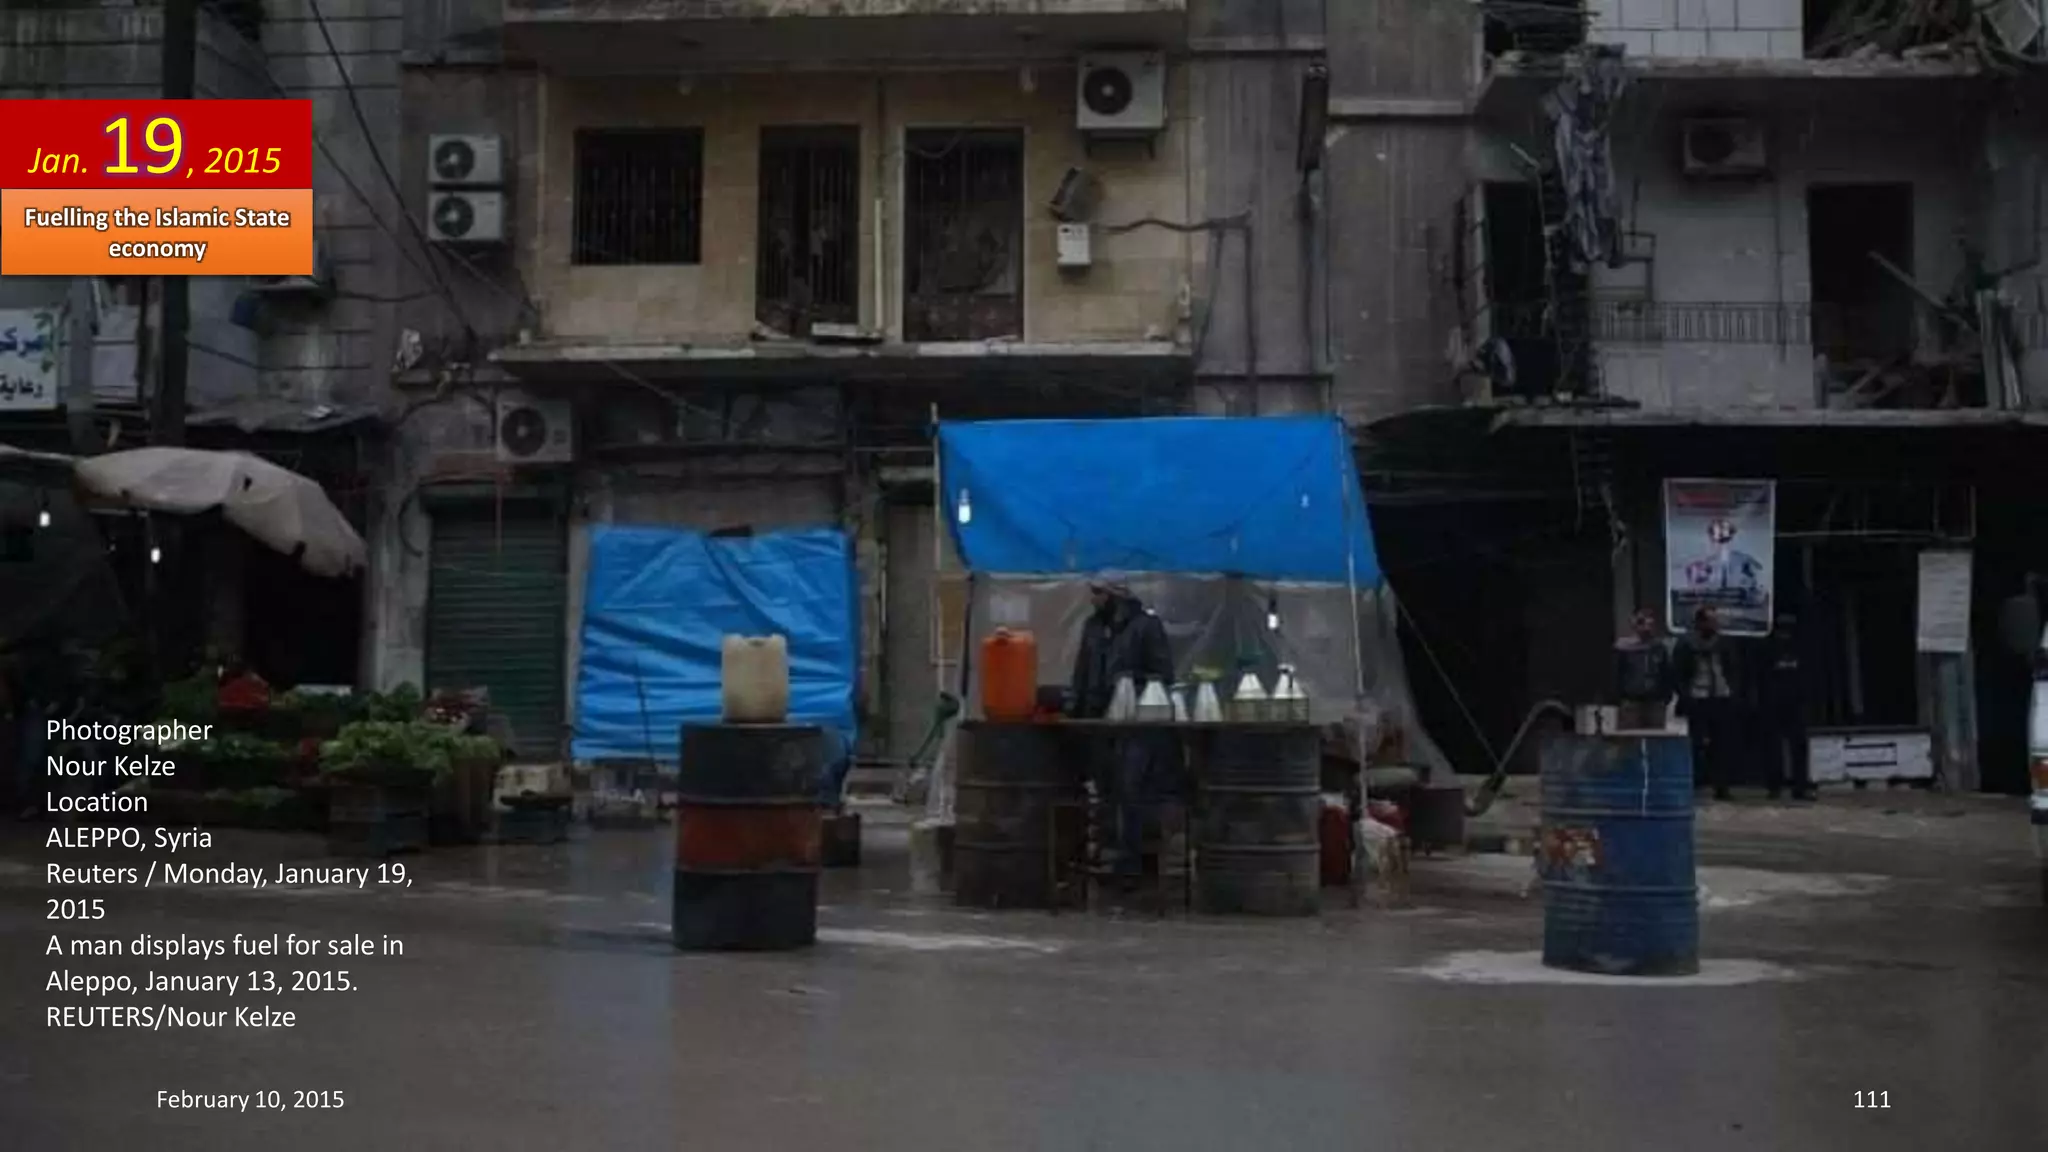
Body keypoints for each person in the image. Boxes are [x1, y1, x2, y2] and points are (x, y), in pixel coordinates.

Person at [1066, 577, 1174, 881]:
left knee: (1133, 790)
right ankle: (1110, 854)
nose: (1093, 599)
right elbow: (1082, 671)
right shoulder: (1093, 628)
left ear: (1117, 595)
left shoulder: (1145, 626)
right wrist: (1075, 709)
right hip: (1099, 723)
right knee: (1106, 790)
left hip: (1135, 724)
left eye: (1098, 592)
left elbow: (1163, 673)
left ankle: (1136, 860)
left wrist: (1129, 686)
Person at [1672, 605, 1738, 801]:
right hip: (1697, 697)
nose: (1715, 624)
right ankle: (1695, 784)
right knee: (1696, 744)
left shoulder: (1724, 642)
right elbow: (1678, 674)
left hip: (1721, 696)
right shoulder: (1686, 643)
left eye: (1716, 620)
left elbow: (1733, 668)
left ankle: (1722, 787)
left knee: (1722, 745)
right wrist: (1685, 695)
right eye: (1711, 620)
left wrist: (1733, 690)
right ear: (1700, 623)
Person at [1761, 612, 1815, 801]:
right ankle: (1776, 786)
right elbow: (1761, 675)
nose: (1785, 634)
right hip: (1774, 702)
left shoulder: (1800, 647)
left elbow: (1808, 674)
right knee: (1774, 747)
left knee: (1797, 746)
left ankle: (1798, 787)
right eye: (1782, 629)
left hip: (1795, 702)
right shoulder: (1768, 648)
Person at [1613, 608, 1672, 731]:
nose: (1646, 628)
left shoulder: (1659, 647)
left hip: (1655, 701)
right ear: (1634, 624)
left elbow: (1667, 673)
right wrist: (1618, 697)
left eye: (1650, 624)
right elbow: (1616, 674)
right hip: (1631, 700)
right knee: (1630, 737)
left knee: (1655, 737)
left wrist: (1666, 697)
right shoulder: (1623, 647)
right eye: (1641, 623)